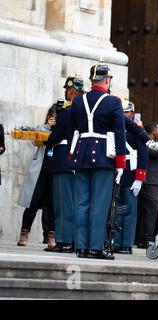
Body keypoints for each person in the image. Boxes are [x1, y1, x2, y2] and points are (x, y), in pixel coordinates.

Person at [68, 60, 127, 260]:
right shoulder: (113, 102)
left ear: (92, 80)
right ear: (107, 80)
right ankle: (95, 246)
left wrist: (72, 153)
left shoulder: (77, 101)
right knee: (100, 203)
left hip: (82, 153)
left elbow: (72, 130)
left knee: (82, 202)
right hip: (104, 155)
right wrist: (121, 160)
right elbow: (120, 132)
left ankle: (82, 246)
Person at [45, 75, 85, 253]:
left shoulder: (67, 111)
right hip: (78, 160)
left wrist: (50, 135)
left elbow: (57, 135)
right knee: (75, 203)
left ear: (70, 91)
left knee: (63, 204)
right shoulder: (83, 110)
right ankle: (75, 240)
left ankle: (64, 240)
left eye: (67, 90)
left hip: (63, 160)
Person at [17, 106, 57, 248]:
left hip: (55, 171)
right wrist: (48, 126)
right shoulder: (43, 128)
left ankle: (51, 237)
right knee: (32, 203)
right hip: (41, 171)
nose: (56, 119)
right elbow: (35, 140)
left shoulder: (64, 130)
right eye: (53, 116)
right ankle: (24, 233)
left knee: (54, 205)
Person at [113, 100, 149, 254]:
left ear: (132, 114)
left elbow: (143, 152)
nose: (124, 116)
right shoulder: (116, 128)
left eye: (126, 113)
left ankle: (126, 243)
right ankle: (117, 240)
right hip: (119, 172)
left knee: (129, 210)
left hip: (131, 173)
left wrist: (140, 177)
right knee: (119, 209)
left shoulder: (137, 129)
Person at [136, 123, 158, 249]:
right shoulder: (148, 142)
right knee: (150, 212)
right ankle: (146, 239)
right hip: (150, 182)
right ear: (154, 132)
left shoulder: (156, 143)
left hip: (156, 181)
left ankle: (145, 237)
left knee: (151, 212)